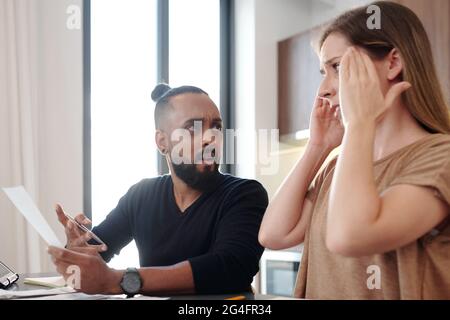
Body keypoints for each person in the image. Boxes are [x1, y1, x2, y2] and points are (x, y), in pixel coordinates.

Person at [259, 1, 450, 299]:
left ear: (393, 63)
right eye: (323, 71)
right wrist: (317, 147)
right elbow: (273, 235)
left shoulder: (440, 158)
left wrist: (360, 122)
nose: (323, 88)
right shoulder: (340, 166)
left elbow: (349, 235)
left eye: (337, 67)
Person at [48, 84, 268, 296]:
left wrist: (120, 280)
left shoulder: (245, 194)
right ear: (162, 142)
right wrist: (76, 250)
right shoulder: (141, 195)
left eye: (217, 127)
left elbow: (229, 267)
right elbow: (98, 251)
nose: (211, 137)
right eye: (193, 128)